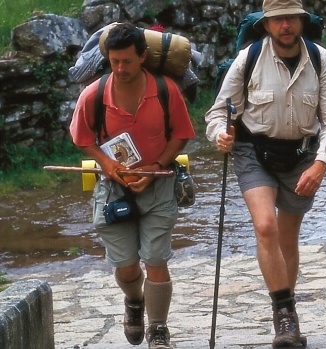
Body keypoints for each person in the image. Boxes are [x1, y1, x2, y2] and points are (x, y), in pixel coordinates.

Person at [205, 0, 326, 347]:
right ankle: (285, 317)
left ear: (301, 21)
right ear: (266, 24)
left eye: (291, 18)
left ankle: (287, 315)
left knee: (287, 237)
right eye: (277, 19)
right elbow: (219, 112)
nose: (285, 25)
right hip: (253, 151)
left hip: (303, 155)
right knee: (265, 226)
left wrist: (321, 164)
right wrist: (220, 134)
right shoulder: (249, 59)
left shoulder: (321, 60)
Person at [69, 23, 195, 349]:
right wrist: (107, 164)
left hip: (158, 188)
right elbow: (82, 138)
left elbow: (181, 134)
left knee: (155, 258)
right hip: (113, 191)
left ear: (143, 57)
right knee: (126, 268)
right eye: (114, 62)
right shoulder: (94, 96)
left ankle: (158, 330)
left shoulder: (166, 91)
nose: (121, 69)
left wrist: (156, 167)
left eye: (127, 61)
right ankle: (134, 301)